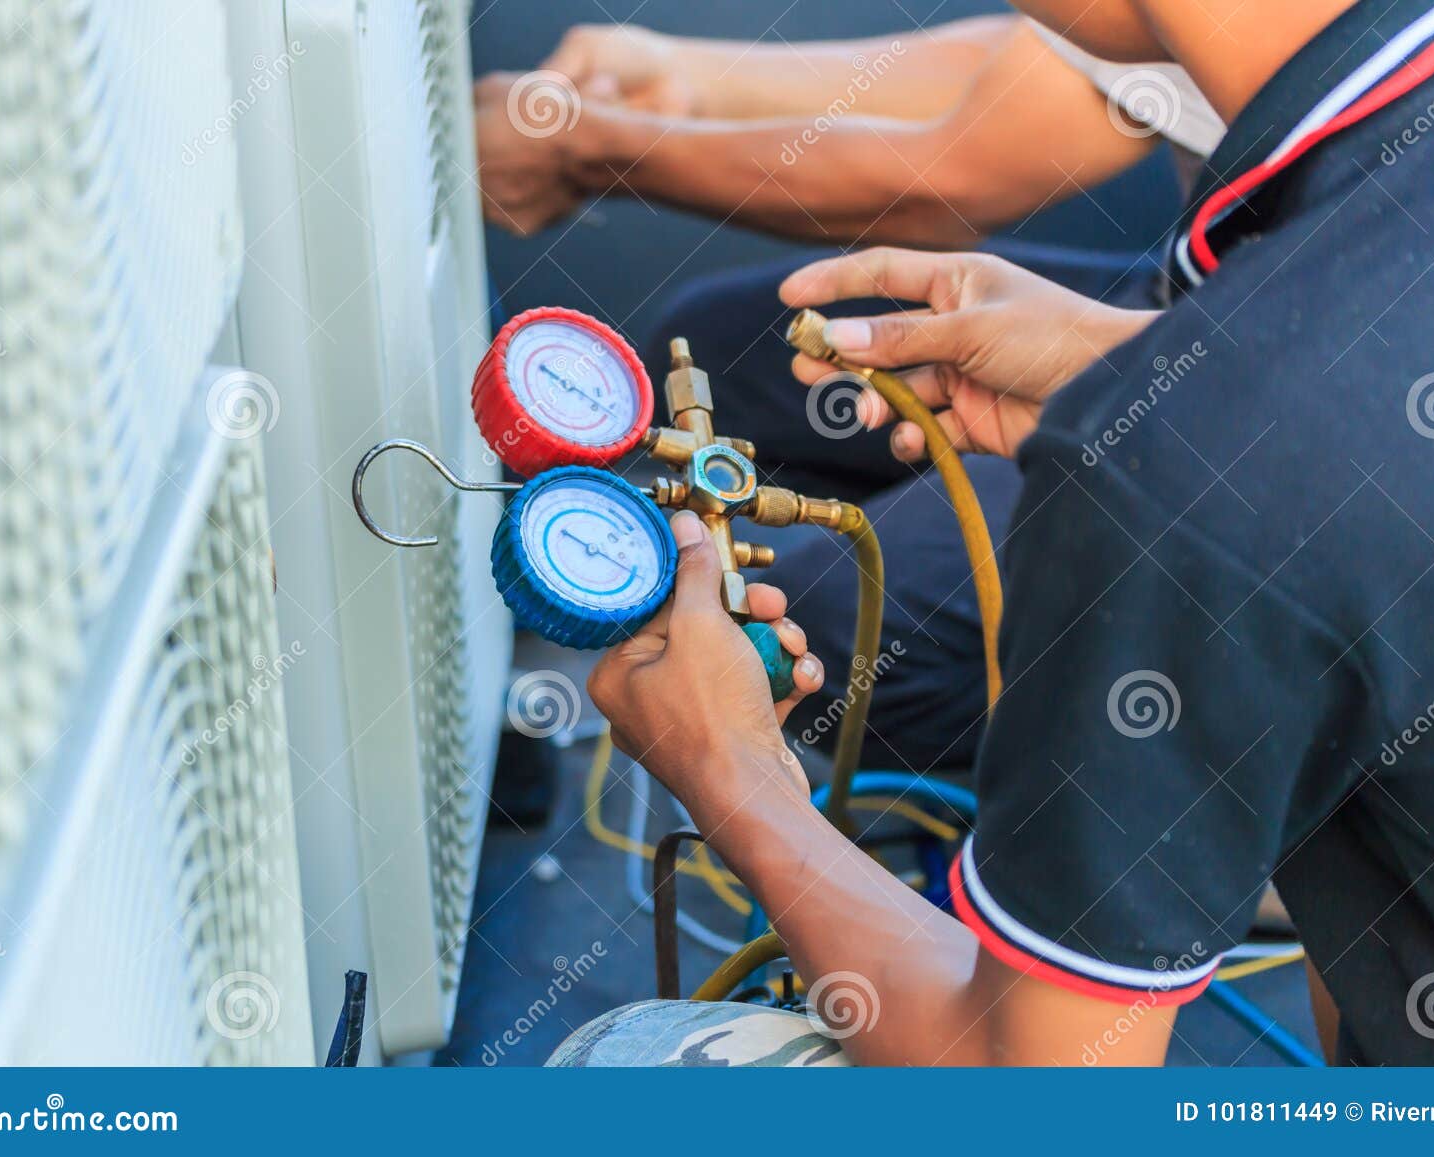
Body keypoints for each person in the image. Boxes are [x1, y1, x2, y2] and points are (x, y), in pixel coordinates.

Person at [557, 0, 1434, 1067]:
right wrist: (1140, 366)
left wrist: (731, 772)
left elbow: (1038, 1092)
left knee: (620, 1062)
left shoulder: (1187, 462)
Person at [478, 15, 1223, 772]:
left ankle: (1192, 791)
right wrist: (675, 76)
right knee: (712, 344)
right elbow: (1047, 70)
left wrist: (584, 147)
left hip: (1251, 403)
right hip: (1185, 295)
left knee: (829, 648)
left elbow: (951, 171)